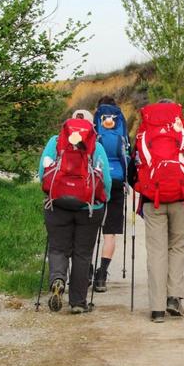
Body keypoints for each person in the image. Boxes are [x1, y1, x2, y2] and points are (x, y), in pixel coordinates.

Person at [130, 99, 184, 323]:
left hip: (153, 200)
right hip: (180, 198)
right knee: (176, 247)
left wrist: (144, 190)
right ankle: (174, 298)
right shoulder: (181, 130)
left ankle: (157, 309)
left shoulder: (144, 134)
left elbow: (133, 170)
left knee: (156, 251)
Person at [39, 109, 112, 313]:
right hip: (89, 207)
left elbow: (41, 173)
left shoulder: (55, 142)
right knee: (82, 253)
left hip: (57, 204)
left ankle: (58, 280)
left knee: (57, 248)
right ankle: (78, 302)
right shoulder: (96, 146)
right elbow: (105, 180)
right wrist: (103, 199)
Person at [92, 96, 130, 292]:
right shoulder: (121, 126)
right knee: (110, 232)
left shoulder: (94, 125)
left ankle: (85, 269)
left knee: (89, 228)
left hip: (95, 180)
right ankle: (101, 275)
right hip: (116, 180)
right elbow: (128, 154)